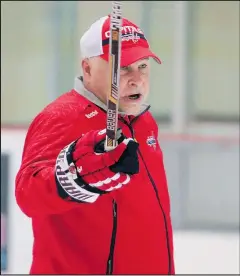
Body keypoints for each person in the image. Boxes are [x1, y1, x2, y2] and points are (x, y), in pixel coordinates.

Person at [15, 15, 175, 275]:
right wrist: (77, 175)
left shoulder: (143, 121)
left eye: (143, 66)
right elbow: (28, 195)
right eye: (123, 68)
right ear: (87, 68)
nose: (137, 79)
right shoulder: (63, 117)